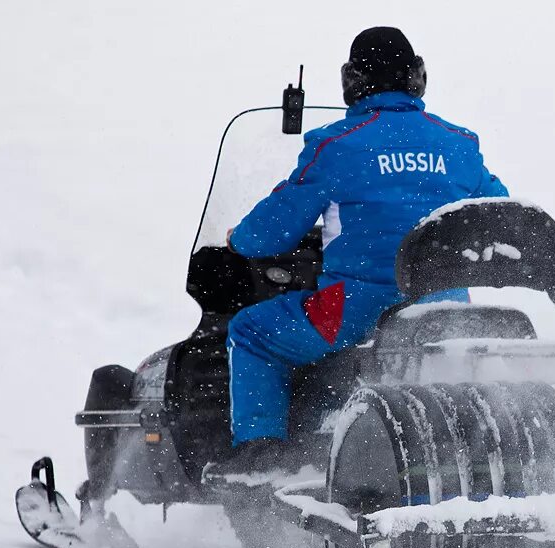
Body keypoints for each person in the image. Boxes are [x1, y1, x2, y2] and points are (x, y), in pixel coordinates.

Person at [206, 26, 508, 480]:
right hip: (441, 310)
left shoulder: (336, 145)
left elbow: (271, 232)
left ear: (352, 80)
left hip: (352, 310)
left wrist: (238, 239)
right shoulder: (458, 144)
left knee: (250, 331)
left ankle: (262, 459)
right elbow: (497, 213)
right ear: (418, 77)